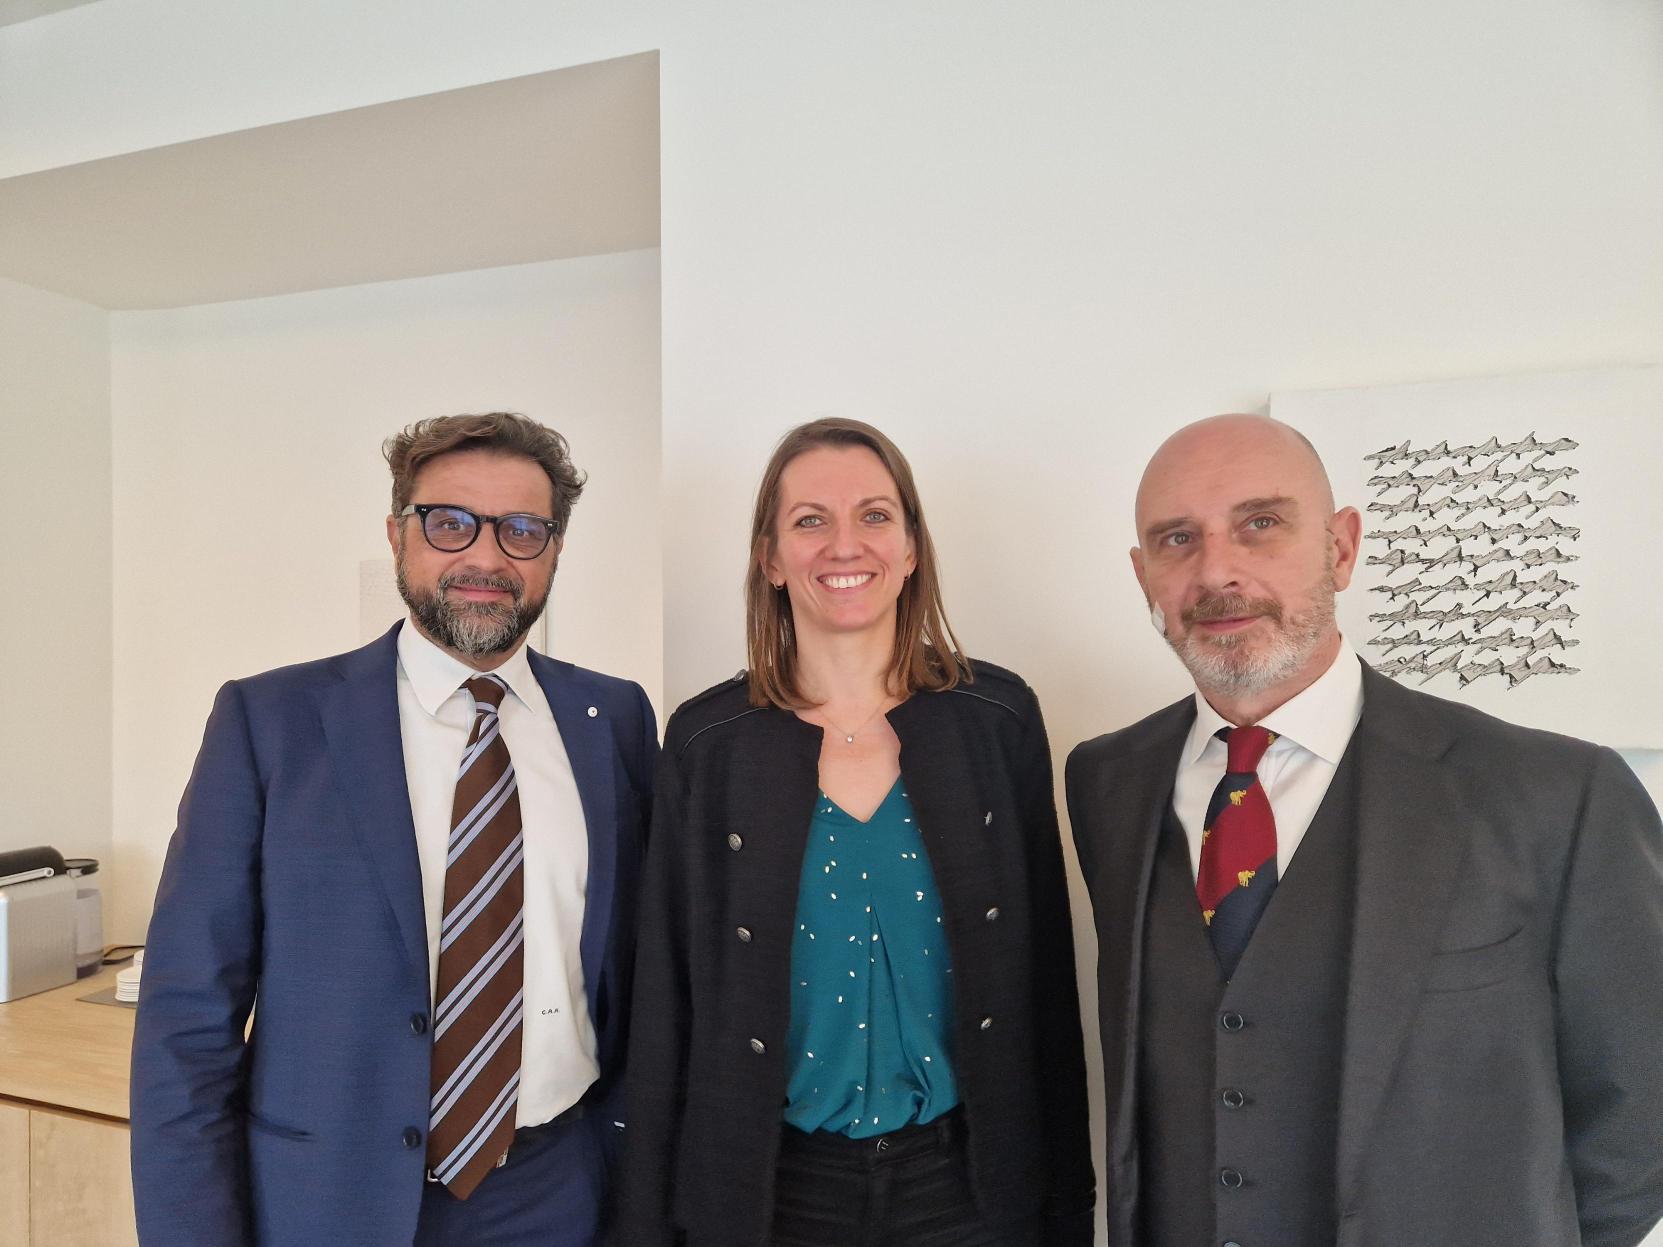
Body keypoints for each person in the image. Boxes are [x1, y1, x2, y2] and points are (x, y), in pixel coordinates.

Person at [1067, 412, 1663, 1247]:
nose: (1216, 571)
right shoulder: (1106, 780)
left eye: (1259, 524)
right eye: (1176, 539)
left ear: (1340, 547)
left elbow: (1641, 1115)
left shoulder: (1556, 792)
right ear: (1143, 574)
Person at [130, 413, 657, 1246]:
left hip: (558, 1192)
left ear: (555, 549)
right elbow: (187, 1021)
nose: (485, 558)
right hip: (328, 1200)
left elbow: (638, 969)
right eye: (450, 523)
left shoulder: (614, 718)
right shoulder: (270, 722)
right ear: (397, 534)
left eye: (522, 530)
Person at [617, 418, 1094, 1246]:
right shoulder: (706, 742)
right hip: (773, 1192)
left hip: (968, 1186)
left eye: (874, 515)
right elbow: (669, 1002)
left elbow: (1043, 981)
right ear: (769, 557)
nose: (846, 545)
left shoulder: (997, 719)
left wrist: (1066, 1206)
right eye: (810, 520)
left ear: (911, 548)